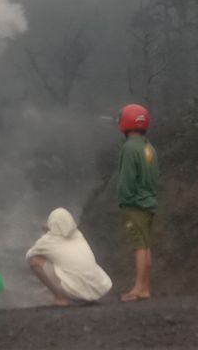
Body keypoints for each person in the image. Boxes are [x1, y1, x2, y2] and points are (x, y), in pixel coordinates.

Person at [25, 207, 112, 305]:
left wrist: (45, 234)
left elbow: (29, 255)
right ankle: (83, 294)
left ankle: (60, 298)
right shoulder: (78, 235)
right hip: (98, 289)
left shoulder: (48, 240)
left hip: (76, 291)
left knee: (35, 261)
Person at [116, 103, 159, 302]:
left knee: (139, 246)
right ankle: (145, 287)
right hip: (149, 202)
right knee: (146, 245)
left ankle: (138, 288)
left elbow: (126, 179)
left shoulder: (129, 148)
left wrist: (124, 199)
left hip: (135, 204)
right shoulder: (149, 148)